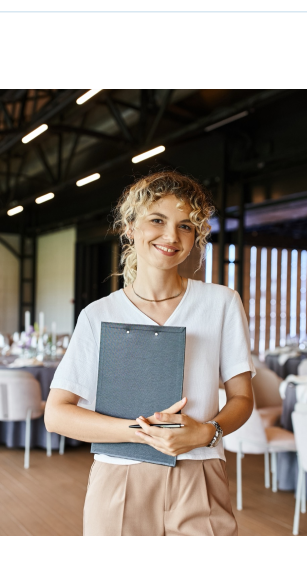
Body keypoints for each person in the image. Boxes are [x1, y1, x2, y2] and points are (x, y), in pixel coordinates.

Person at [44, 171, 255, 536]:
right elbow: (57, 415)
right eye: (157, 220)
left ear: (196, 237)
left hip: (199, 471)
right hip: (119, 474)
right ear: (129, 227)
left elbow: (242, 399)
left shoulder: (221, 303)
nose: (171, 236)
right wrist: (142, 433)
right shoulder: (98, 315)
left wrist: (208, 431)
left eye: (186, 226)